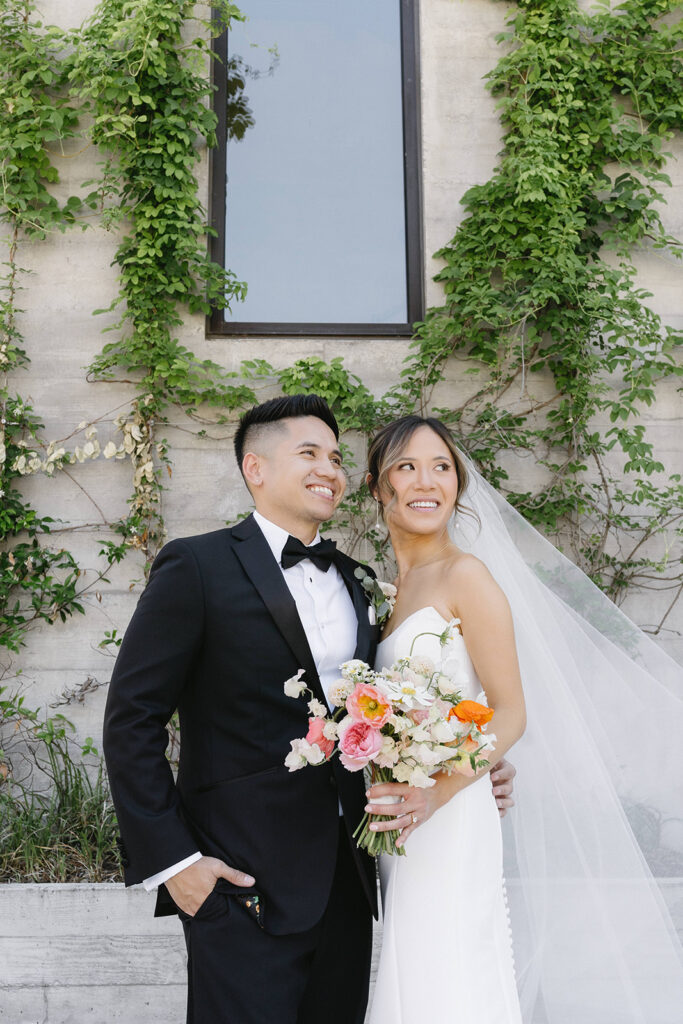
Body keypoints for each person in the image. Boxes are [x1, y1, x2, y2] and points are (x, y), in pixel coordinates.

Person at [102, 394, 516, 1024]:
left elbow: (391, 714)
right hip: (239, 884)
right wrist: (175, 864)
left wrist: (467, 767)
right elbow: (131, 720)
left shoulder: (361, 582)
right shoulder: (198, 565)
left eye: (335, 456)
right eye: (308, 453)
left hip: (352, 881)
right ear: (256, 468)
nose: (328, 467)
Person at [363, 414, 683, 1024]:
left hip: (447, 815)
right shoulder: (386, 592)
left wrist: (441, 793)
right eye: (406, 466)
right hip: (402, 814)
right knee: (414, 961)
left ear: (458, 484)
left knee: (450, 961)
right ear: (380, 487)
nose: (426, 481)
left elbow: (510, 712)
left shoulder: (467, 576)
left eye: (442, 467)